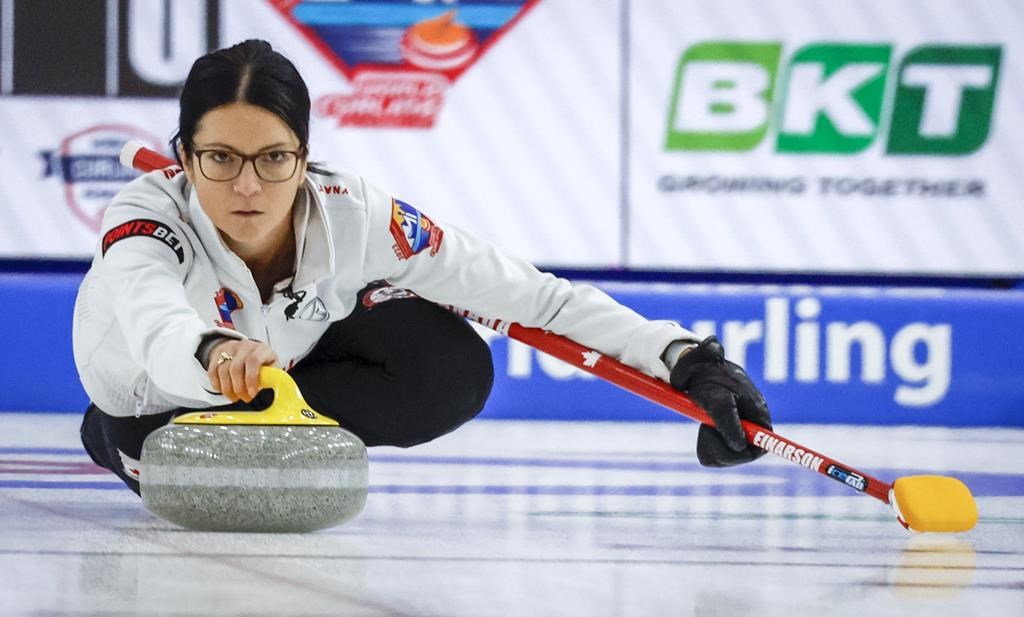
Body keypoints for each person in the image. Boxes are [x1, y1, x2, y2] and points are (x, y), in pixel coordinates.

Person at [73, 40, 771, 495]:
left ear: (306, 153)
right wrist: (213, 351)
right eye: (221, 158)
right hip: (155, 396)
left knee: (452, 368)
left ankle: (273, 426)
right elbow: (155, 325)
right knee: (146, 432)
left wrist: (682, 358)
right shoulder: (145, 219)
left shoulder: (354, 213)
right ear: (185, 156)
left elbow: (534, 298)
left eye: (274, 158)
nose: (249, 187)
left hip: (283, 365)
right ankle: (112, 440)